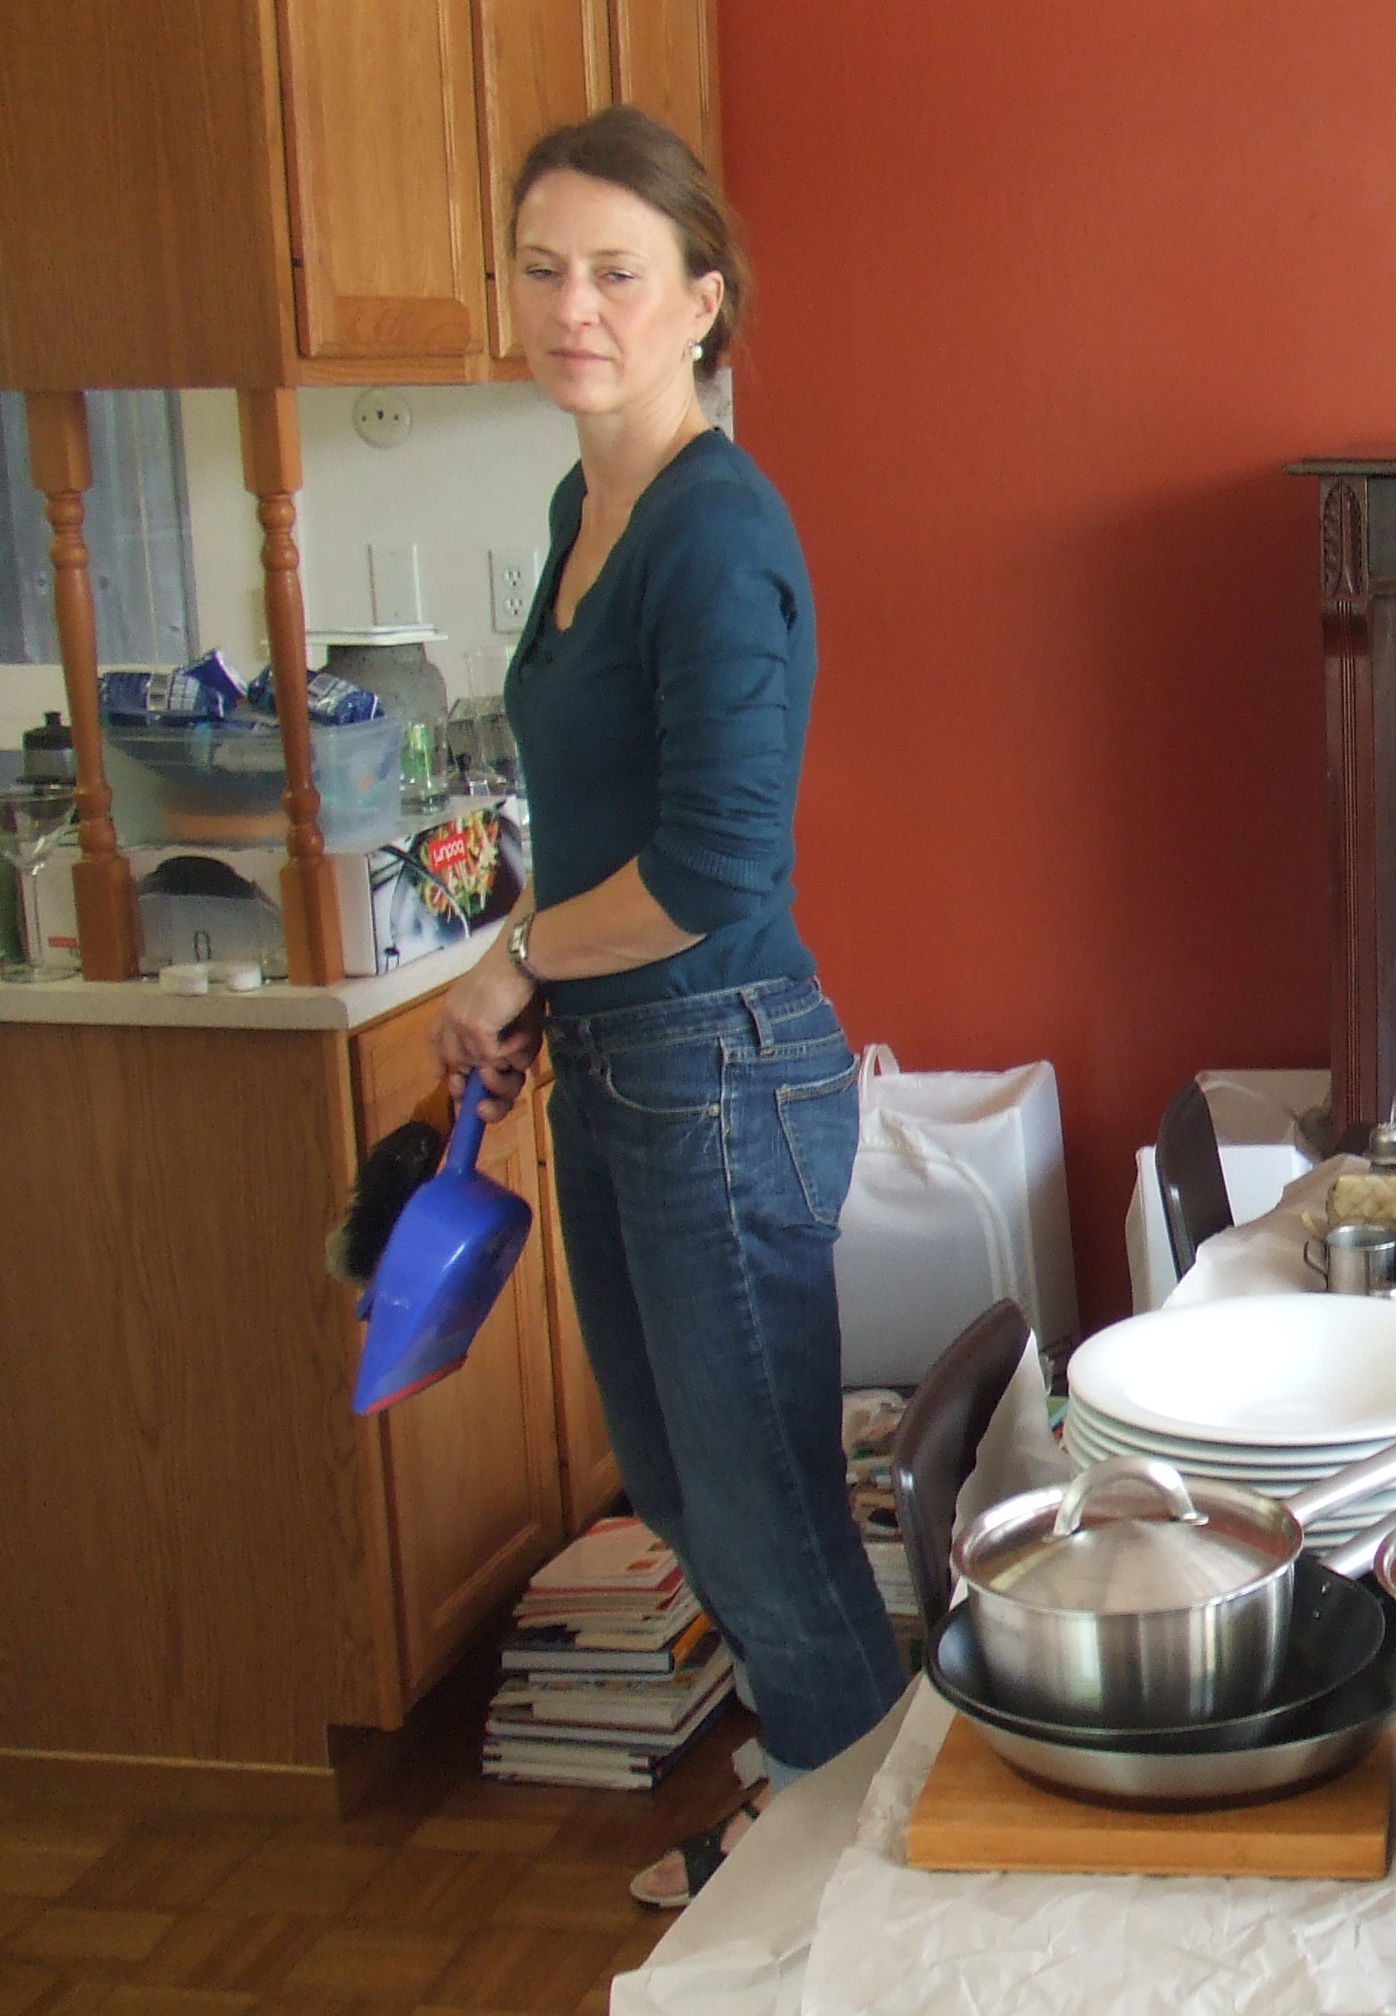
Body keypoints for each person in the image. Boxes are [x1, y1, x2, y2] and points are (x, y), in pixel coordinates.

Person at [429, 106, 901, 1908]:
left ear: (703, 302)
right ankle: (824, 1830)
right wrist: (538, 967)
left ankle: (856, 1894)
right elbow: (609, 820)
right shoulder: (590, 505)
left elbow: (712, 868)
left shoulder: (711, 531)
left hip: (719, 1073)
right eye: (542, 269)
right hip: (634, 1067)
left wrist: (520, 958)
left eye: (617, 274)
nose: (575, 308)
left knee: (765, 1521)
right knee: (691, 1497)